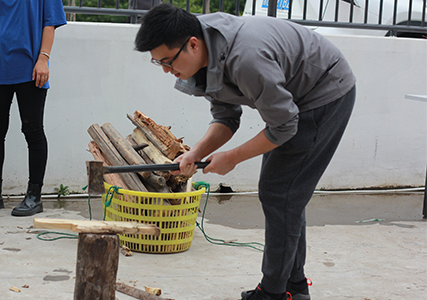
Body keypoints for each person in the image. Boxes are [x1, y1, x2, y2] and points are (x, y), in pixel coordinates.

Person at [135, 4, 356, 300]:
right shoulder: (200, 52)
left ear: (192, 44)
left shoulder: (245, 58)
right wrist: (194, 153)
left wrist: (232, 157)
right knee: (284, 192)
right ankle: (294, 286)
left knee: (281, 192)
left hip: (324, 92)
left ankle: (274, 292)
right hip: (293, 103)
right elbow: (226, 118)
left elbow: (284, 126)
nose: (165, 70)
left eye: (167, 61)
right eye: (157, 63)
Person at [0, 0, 67, 217]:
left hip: (31, 68)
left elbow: (50, 23)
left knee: (33, 131)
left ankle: (34, 196)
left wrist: (43, 59)